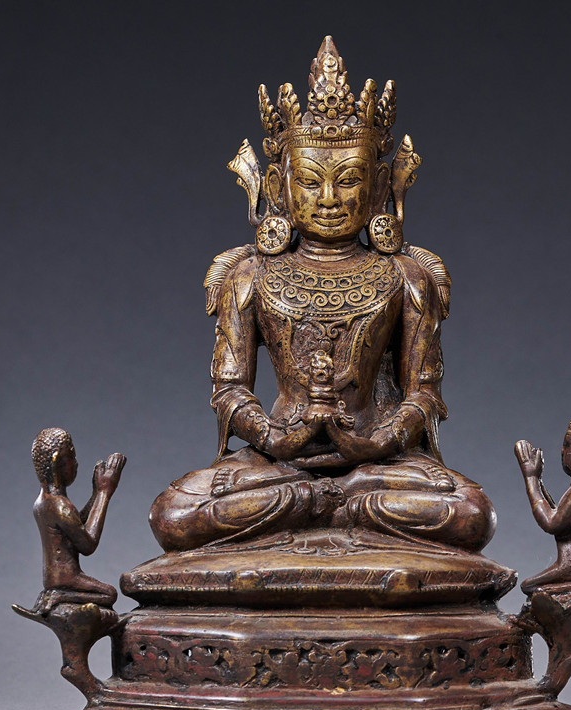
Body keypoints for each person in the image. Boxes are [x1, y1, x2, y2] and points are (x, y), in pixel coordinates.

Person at [149, 37, 496, 554]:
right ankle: (333, 506)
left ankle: (324, 504)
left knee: (470, 513)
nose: (330, 199)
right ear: (278, 184)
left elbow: (424, 394)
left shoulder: (407, 276)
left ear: (379, 185)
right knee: (175, 513)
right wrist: (275, 437)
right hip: (280, 461)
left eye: (349, 180)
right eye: (311, 182)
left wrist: (376, 442)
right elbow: (229, 390)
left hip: (377, 463)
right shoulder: (249, 275)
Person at [31, 427, 125, 611]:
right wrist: (104, 493)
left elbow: (74, 527)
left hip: (53, 577)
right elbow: (87, 545)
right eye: (71, 458)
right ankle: (60, 595)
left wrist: (95, 494)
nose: (76, 464)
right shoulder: (59, 505)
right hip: (67, 578)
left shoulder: (43, 502)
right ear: (56, 462)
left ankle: (54, 593)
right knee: (110, 594)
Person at [514, 414, 571, 594]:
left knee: (529, 586)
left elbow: (551, 523)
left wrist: (530, 478)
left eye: (567, 445)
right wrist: (539, 482)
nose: (562, 451)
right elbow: (558, 513)